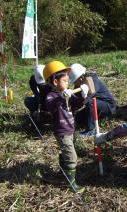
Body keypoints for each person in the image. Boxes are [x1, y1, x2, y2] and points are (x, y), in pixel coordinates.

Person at [44, 60, 89, 193]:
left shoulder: (68, 93)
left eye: (68, 80)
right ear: (55, 82)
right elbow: (51, 106)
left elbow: (78, 104)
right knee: (72, 157)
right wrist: (61, 98)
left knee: (68, 151)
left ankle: (63, 171)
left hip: (71, 129)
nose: (67, 83)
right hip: (62, 131)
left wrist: (82, 94)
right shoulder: (51, 96)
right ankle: (71, 183)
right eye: (65, 80)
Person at [69, 63, 116, 137]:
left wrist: (82, 98)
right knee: (77, 118)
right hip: (95, 107)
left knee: (91, 102)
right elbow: (75, 100)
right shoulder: (79, 84)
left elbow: (90, 97)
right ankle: (96, 119)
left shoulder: (92, 80)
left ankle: (91, 130)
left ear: (80, 78)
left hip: (108, 106)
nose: (74, 83)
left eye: (75, 81)